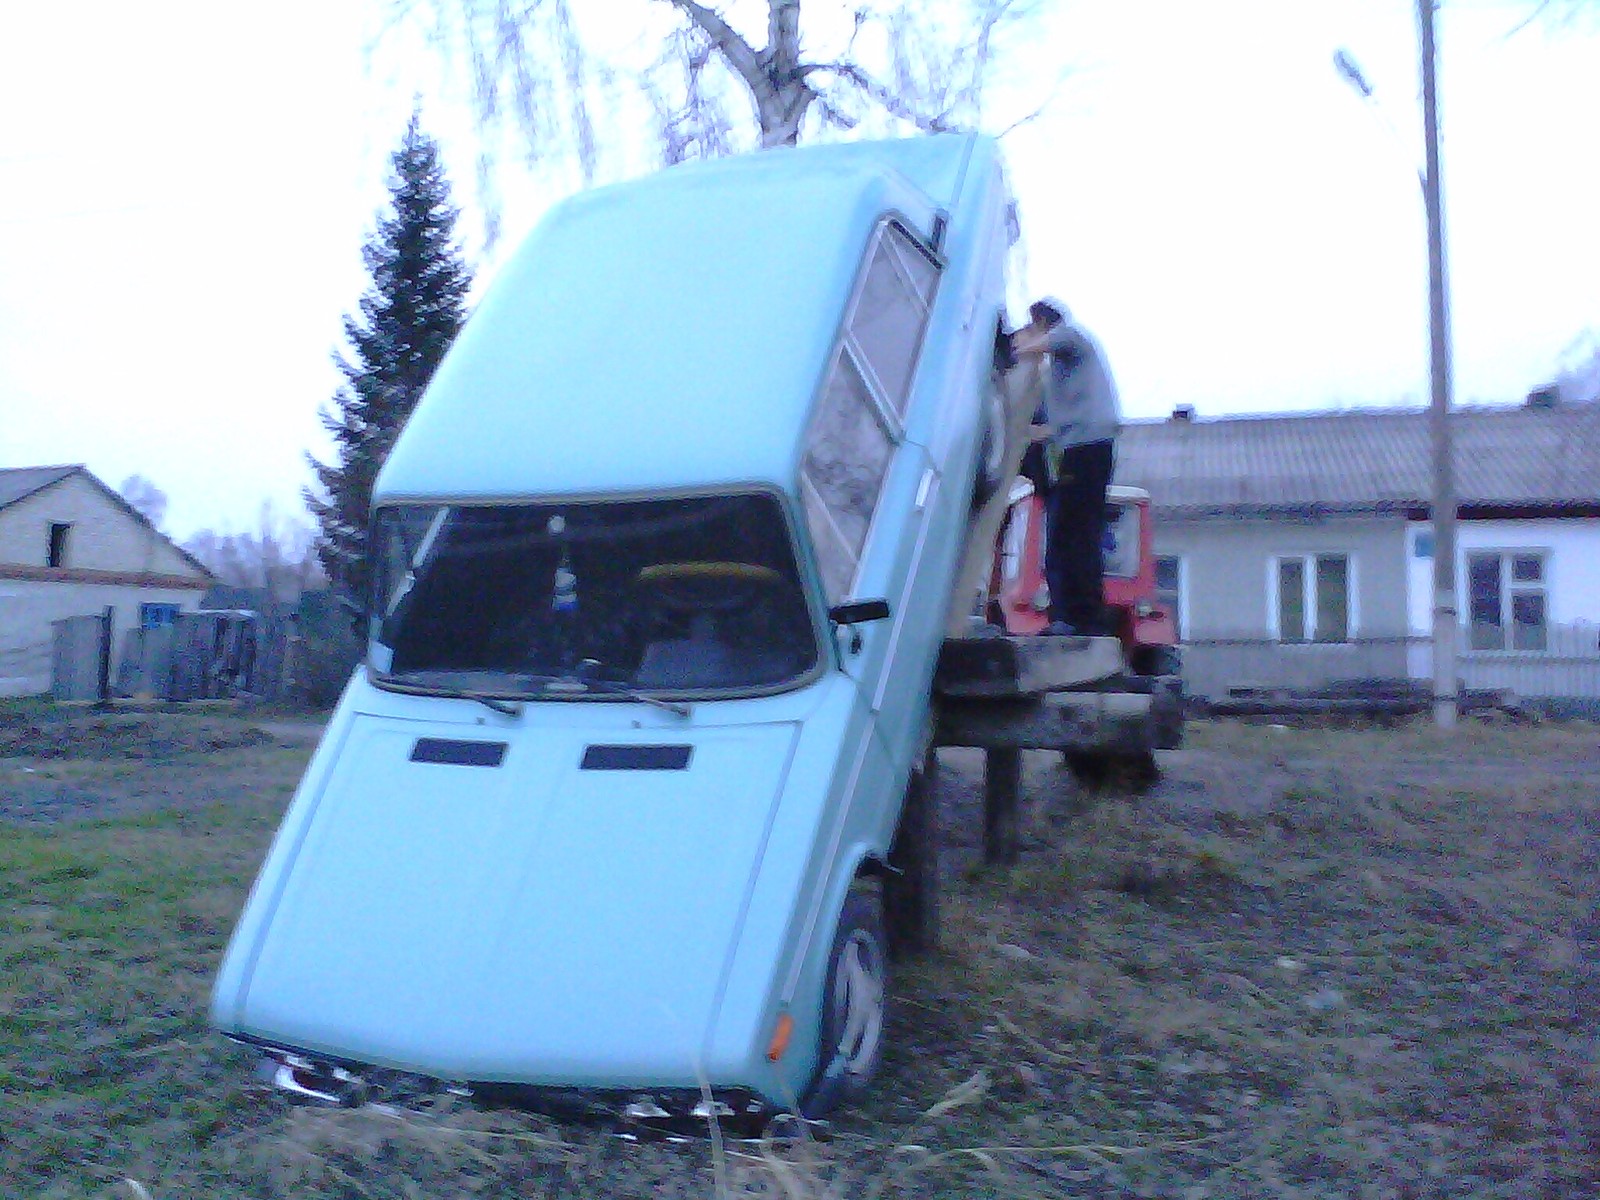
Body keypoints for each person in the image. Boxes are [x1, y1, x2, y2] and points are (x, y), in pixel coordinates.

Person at [1010, 298, 1121, 636]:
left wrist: (1010, 346)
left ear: (1042, 322)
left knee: (1074, 533)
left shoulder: (1070, 336)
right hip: (1077, 447)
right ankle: (1071, 616)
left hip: (1086, 447)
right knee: (1066, 532)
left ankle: (1079, 618)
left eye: (1031, 327)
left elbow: (1036, 346)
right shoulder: (1061, 375)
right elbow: (1049, 423)